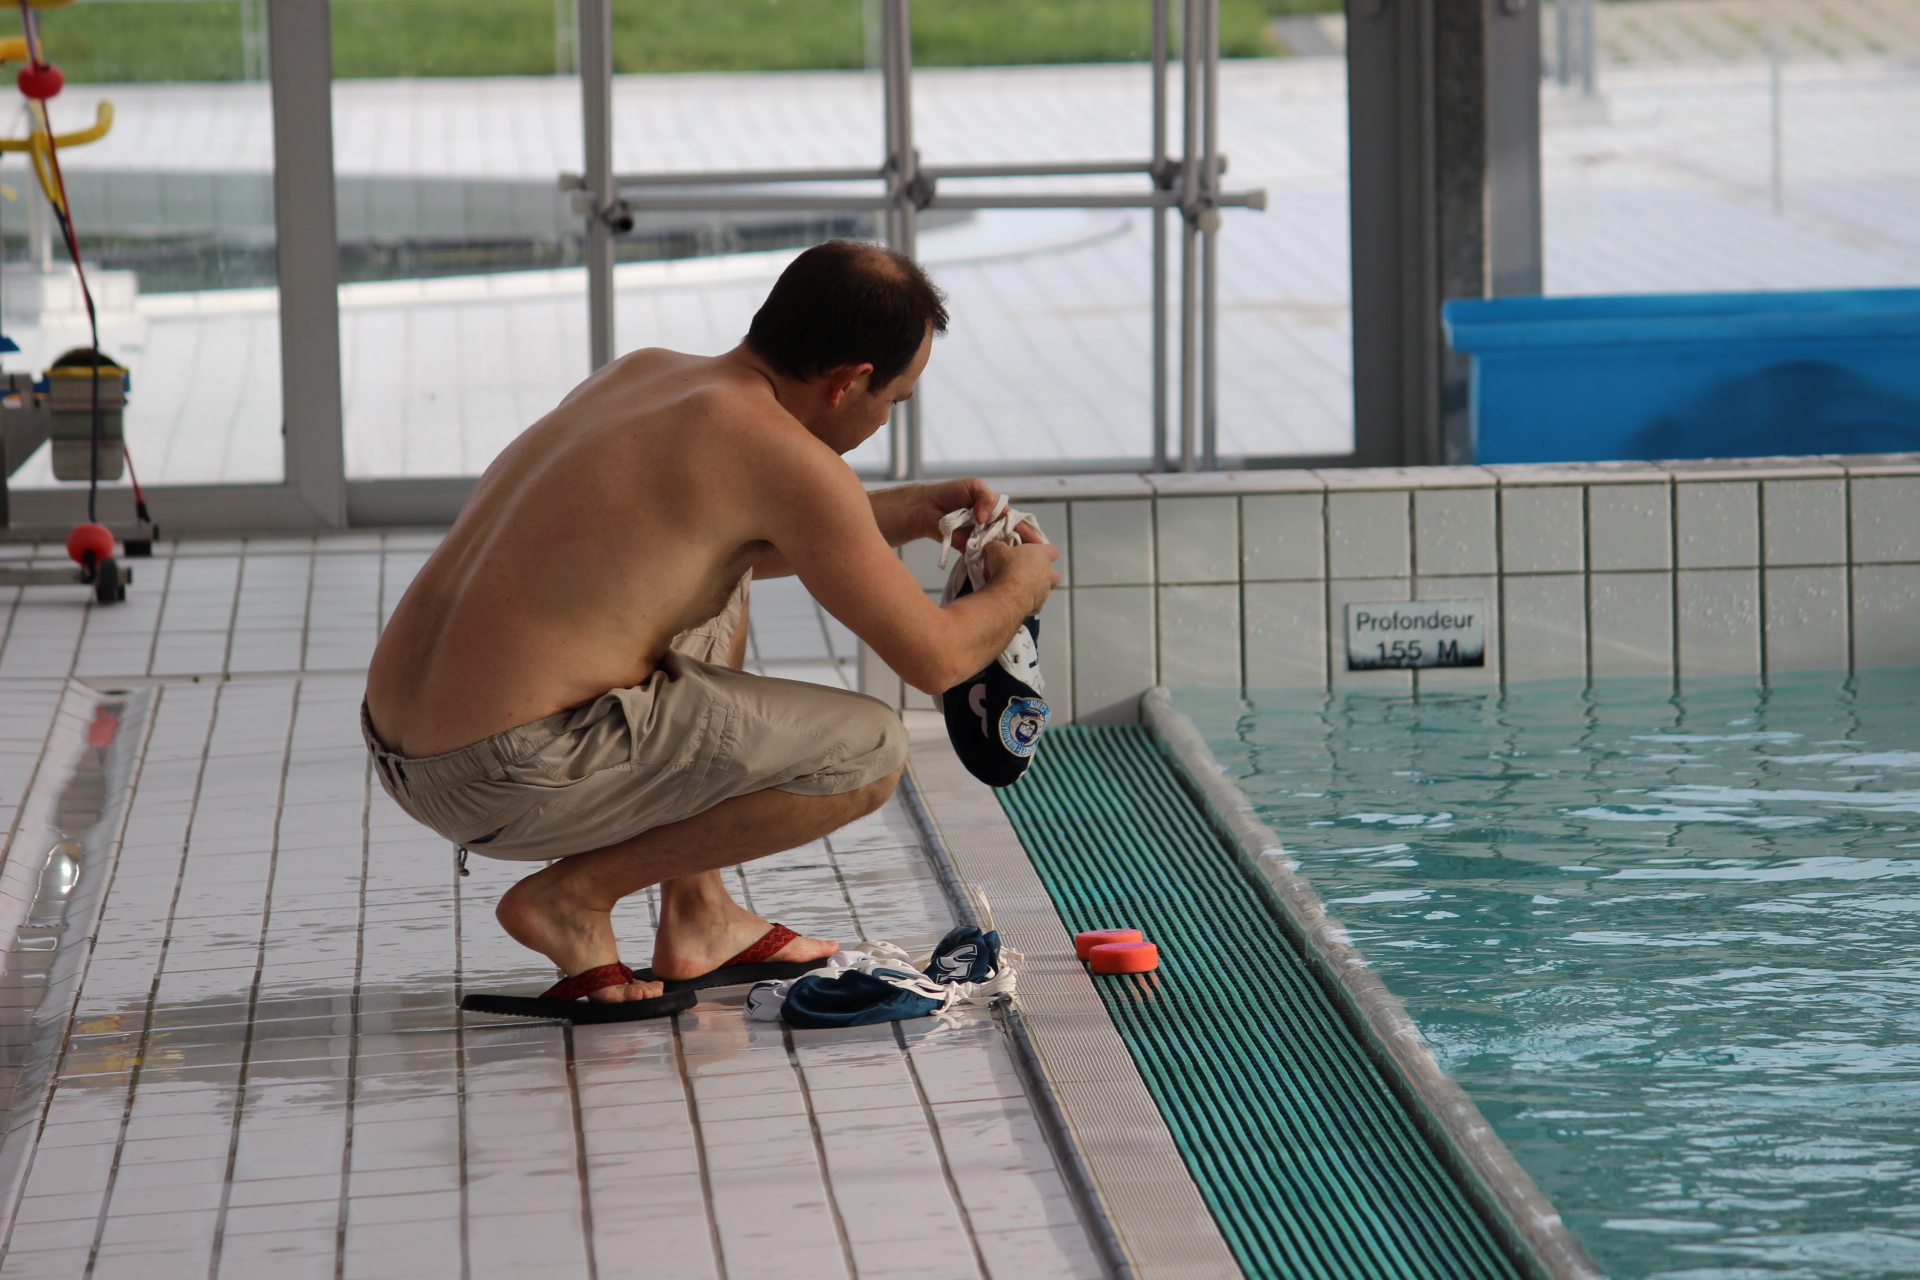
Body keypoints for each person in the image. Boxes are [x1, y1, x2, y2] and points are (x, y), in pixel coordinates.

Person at [362, 239, 1060, 1008]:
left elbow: (746, 532)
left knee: (725, 578)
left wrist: (913, 510)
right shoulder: (785, 460)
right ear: (849, 381)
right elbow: (938, 658)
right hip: (505, 771)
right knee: (871, 753)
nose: (887, 417)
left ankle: (699, 914)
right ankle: (573, 898)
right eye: (892, 400)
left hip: (404, 745)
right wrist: (1022, 586)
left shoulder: (646, 373)